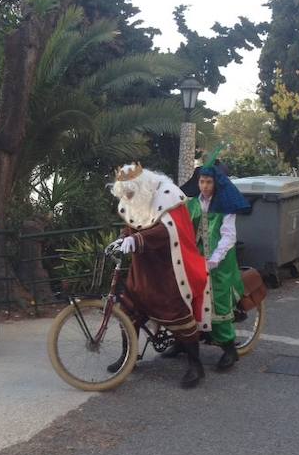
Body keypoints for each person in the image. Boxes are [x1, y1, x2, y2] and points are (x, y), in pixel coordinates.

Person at [107, 163, 212, 388]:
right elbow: (135, 223)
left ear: (142, 187)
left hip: (168, 271)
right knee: (128, 311)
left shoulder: (168, 196)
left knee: (178, 315)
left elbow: (169, 231)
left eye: (130, 193)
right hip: (143, 271)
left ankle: (196, 365)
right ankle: (129, 357)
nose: (128, 197)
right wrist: (125, 237)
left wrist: (137, 240)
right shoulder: (137, 198)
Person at [183, 153, 250, 371]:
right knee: (188, 299)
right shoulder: (192, 203)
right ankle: (184, 342)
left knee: (218, 305)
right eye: (201, 181)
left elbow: (228, 236)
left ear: (216, 182)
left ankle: (230, 349)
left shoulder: (225, 205)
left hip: (220, 262)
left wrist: (214, 259)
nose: (204, 186)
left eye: (208, 181)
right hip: (196, 259)